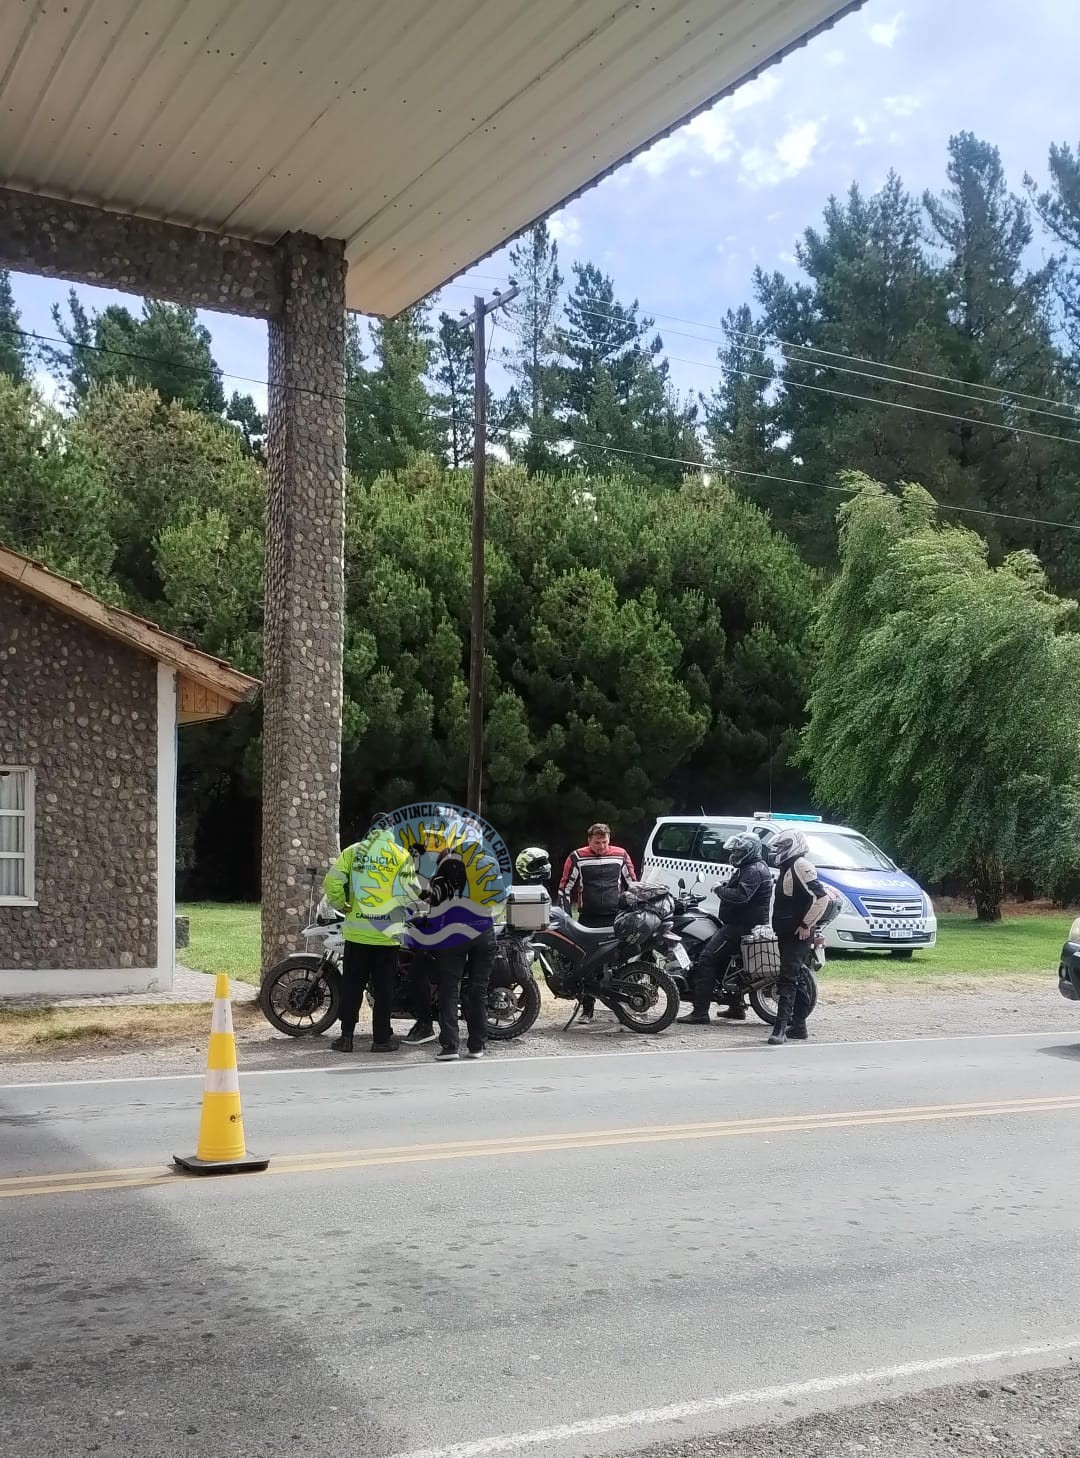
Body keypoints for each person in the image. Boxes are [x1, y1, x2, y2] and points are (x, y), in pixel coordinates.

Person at [323, 811, 420, 1054]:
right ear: (391, 830)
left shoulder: (354, 851)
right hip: (387, 936)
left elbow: (332, 882)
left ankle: (346, 1038)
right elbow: (413, 892)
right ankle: (381, 1040)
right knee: (384, 988)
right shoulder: (401, 855)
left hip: (357, 934)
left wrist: (342, 903)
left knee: (352, 985)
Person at [406, 850, 496, 1061]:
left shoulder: (447, 865)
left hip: (455, 933)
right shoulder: (489, 863)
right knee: (478, 990)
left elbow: (436, 903)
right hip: (484, 930)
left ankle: (450, 1046)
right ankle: (477, 1046)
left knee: (449, 989)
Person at [677, 833, 773, 1026]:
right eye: (735, 850)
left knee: (707, 958)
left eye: (740, 851)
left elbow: (741, 896)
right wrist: (725, 884)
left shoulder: (753, 870)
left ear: (751, 850)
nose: (736, 854)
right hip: (743, 923)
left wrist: (719, 890)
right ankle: (736, 1008)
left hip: (741, 926)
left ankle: (700, 1012)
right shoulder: (750, 867)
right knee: (728, 962)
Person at [558, 823, 637, 1023]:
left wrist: (633, 909)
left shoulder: (620, 855)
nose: (601, 847)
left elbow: (633, 884)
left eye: (604, 842)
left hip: (615, 917)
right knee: (586, 964)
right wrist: (566, 917)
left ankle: (625, 1008)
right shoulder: (577, 857)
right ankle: (587, 1009)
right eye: (597, 843)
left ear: (609, 840)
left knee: (619, 961)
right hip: (588, 918)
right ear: (589, 841)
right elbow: (564, 888)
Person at [766, 827, 830, 1045]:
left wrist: (806, 924)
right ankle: (799, 1026)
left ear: (793, 846)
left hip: (797, 933)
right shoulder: (789, 866)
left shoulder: (801, 865)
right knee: (798, 977)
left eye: (782, 846)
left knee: (787, 978)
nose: (778, 851)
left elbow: (821, 898)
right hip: (787, 931)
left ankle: (780, 1029)